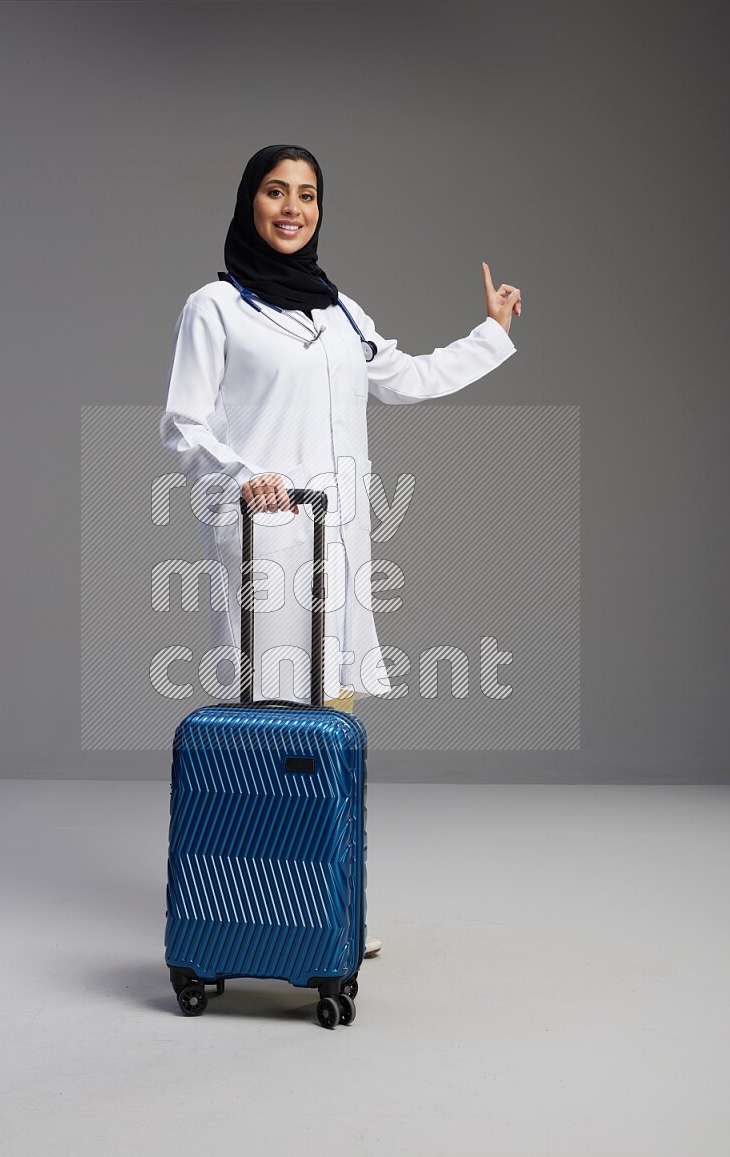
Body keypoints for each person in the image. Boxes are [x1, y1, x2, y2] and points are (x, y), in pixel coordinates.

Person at [160, 144, 522, 957]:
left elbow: (405, 379)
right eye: (276, 192)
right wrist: (244, 475)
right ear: (249, 202)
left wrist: (489, 334)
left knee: (334, 714)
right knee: (269, 722)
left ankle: (325, 911)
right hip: (262, 541)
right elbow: (183, 424)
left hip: (340, 542)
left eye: (308, 195)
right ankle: (256, 912)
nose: (293, 208)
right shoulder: (214, 308)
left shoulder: (341, 313)